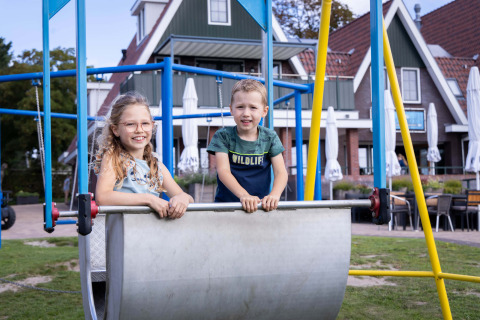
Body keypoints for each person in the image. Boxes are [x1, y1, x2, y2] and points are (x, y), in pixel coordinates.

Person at [94, 92, 193, 219]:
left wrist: (183, 198)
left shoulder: (156, 166)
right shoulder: (113, 158)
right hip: (123, 234)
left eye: (145, 123)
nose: (139, 130)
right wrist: (149, 199)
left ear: (152, 125)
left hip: (151, 234)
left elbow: (186, 197)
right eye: (130, 124)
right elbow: (103, 197)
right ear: (115, 130)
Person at [207, 79, 288, 213]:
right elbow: (223, 172)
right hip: (227, 207)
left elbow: (281, 172)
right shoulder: (222, 136)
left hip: (260, 207)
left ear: (264, 111)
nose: (246, 113)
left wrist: (275, 194)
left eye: (253, 107)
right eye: (240, 107)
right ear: (231, 109)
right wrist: (244, 195)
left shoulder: (270, 137)